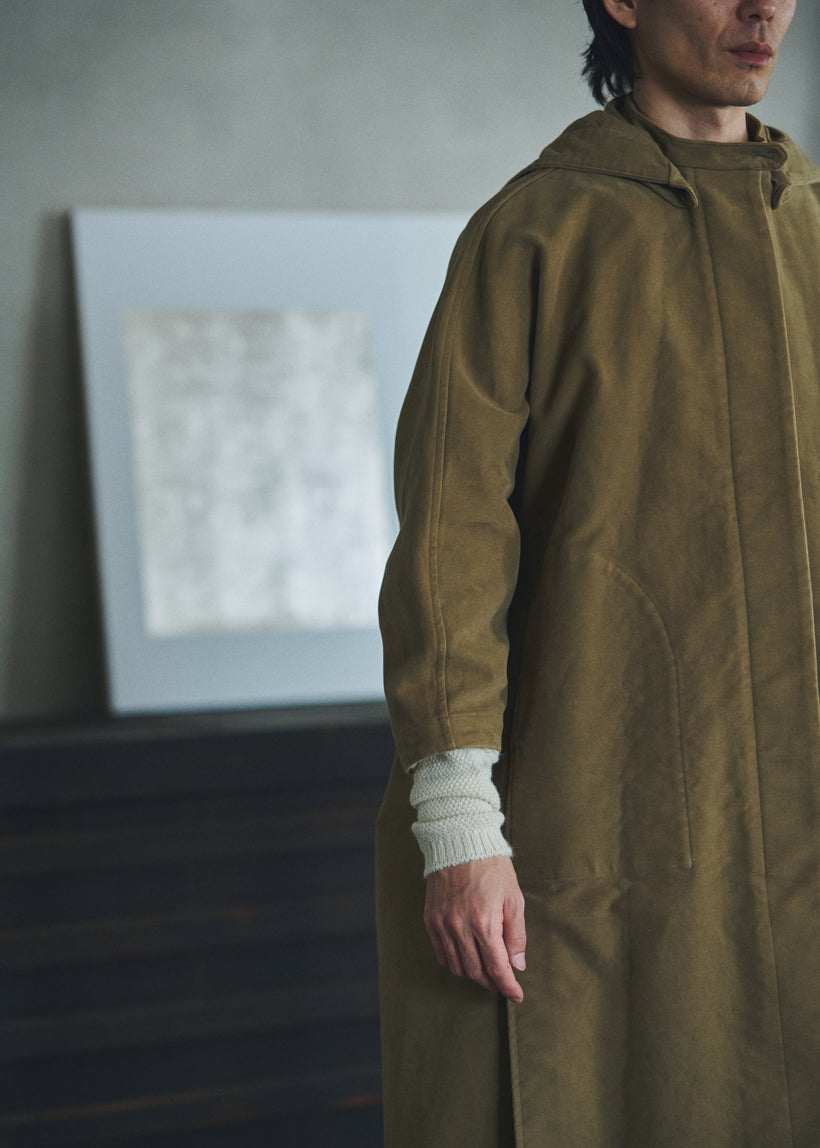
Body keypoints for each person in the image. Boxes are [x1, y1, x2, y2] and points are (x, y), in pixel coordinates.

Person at [376, 0, 820, 1144]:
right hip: (597, 827)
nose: (763, 8)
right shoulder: (537, 231)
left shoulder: (814, 226)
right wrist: (458, 823)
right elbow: (449, 535)